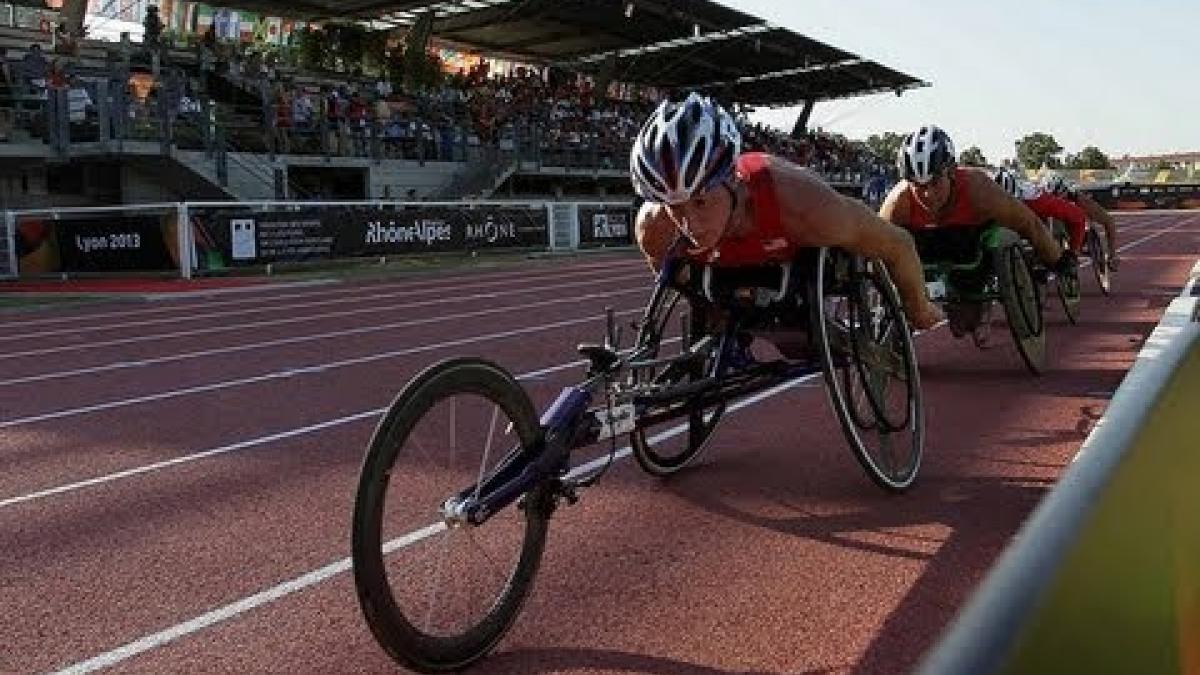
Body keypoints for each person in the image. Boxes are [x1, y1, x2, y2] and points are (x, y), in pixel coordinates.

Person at [631, 93, 945, 353]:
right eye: (674, 208)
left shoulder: (804, 206)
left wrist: (918, 307)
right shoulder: (655, 229)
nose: (691, 225)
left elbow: (898, 244)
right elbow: (675, 274)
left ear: (732, 181)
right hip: (723, 276)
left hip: (793, 258)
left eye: (700, 201)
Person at [993, 167, 1088, 253]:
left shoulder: (1036, 198)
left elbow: (1078, 216)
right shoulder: (1036, 197)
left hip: (1039, 208)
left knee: (1077, 216)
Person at [1042, 172, 1120, 269]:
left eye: (1060, 196)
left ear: (1065, 191)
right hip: (1060, 221)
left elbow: (1109, 222)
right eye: (1054, 197)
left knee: (1107, 220)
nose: (1059, 200)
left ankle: (1111, 255)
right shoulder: (1043, 199)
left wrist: (1112, 253)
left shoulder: (1078, 197)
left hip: (1078, 210)